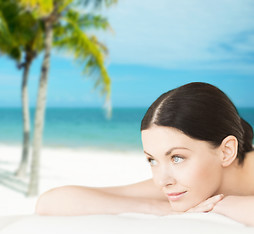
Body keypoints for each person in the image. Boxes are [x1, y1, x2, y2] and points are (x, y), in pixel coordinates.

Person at [35, 82, 254, 226]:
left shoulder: (196, 186)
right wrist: (160, 209)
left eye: (177, 158)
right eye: (152, 160)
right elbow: (50, 202)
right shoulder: (182, 186)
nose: (161, 181)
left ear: (226, 151)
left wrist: (221, 206)